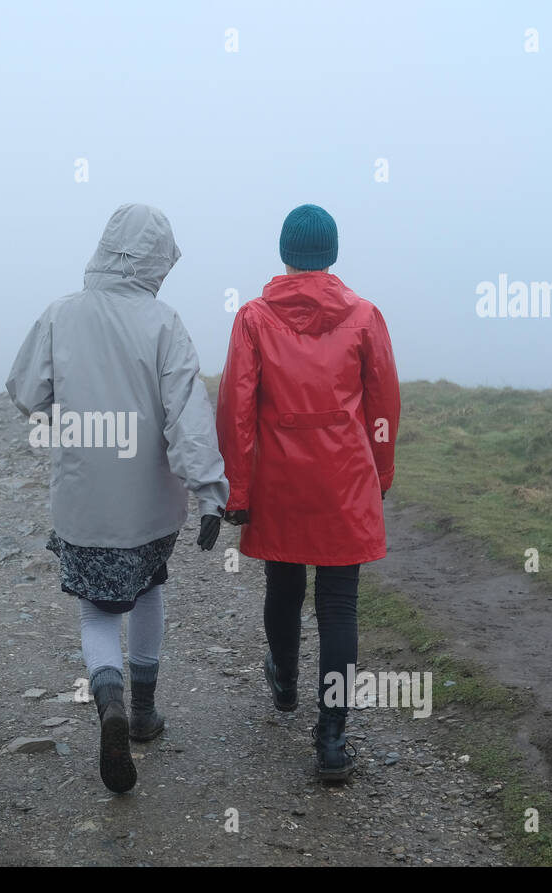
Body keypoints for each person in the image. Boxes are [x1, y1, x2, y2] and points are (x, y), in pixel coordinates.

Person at [7, 203, 228, 794]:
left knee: (96, 611)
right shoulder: (165, 324)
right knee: (151, 585)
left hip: (84, 501)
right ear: (158, 260)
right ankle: (144, 712)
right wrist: (209, 491)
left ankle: (108, 703)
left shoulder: (60, 316)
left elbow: (26, 392)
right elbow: (188, 414)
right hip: (152, 504)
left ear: (104, 248)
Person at [216, 204, 400, 781]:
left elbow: (235, 410)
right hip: (344, 478)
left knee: (284, 583)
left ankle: (286, 682)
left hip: (281, 479)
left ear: (285, 252)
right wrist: (381, 474)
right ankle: (332, 737)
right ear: (333, 253)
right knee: (340, 603)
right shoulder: (366, 316)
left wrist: (237, 488)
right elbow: (383, 408)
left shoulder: (252, 318)